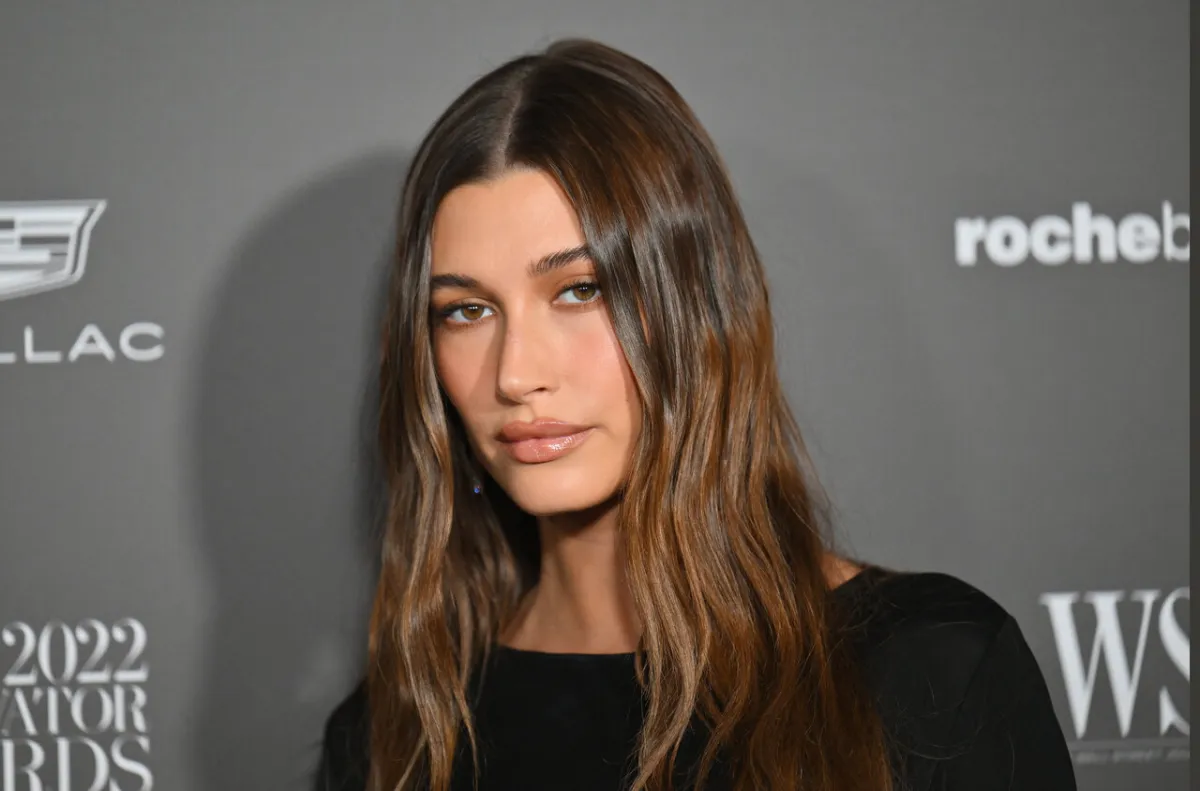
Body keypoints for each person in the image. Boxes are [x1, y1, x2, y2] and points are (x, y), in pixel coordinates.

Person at [316, 37, 1076, 791]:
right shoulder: (394, 736)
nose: (516, 373)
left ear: (697, 305)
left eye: (582, 290)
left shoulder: (927, 672)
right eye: (468, 309)